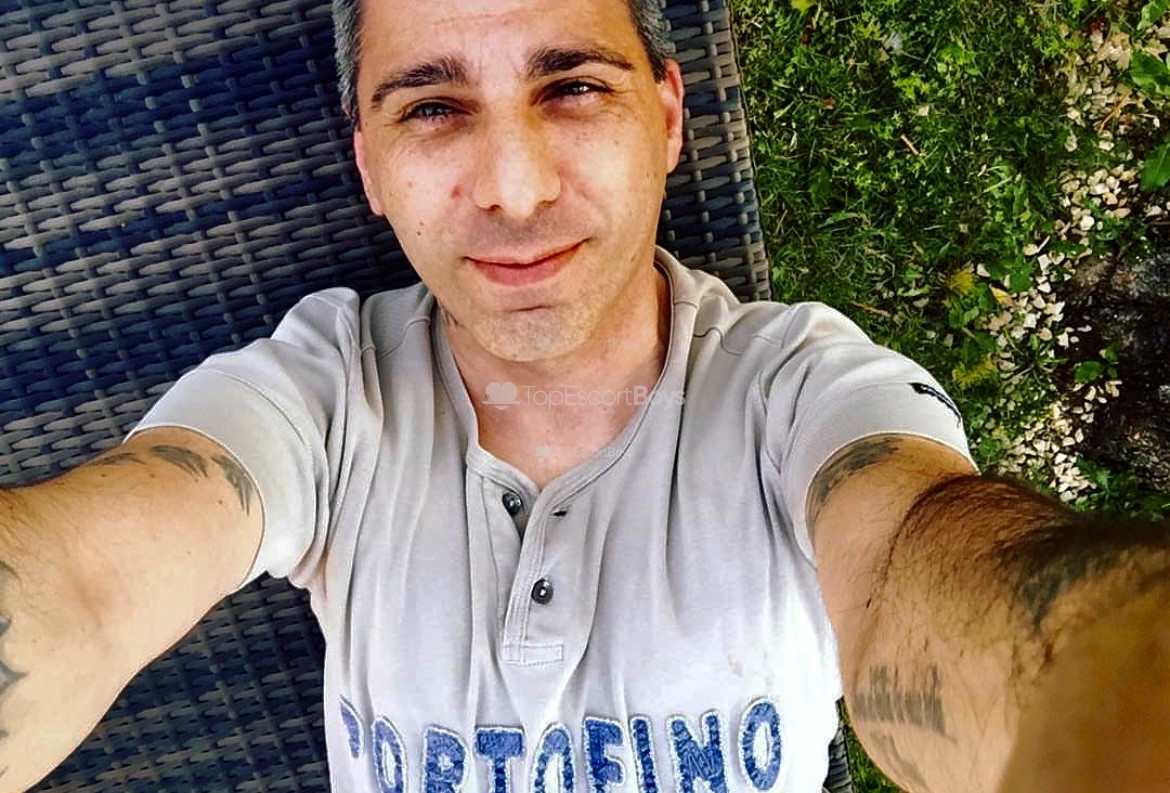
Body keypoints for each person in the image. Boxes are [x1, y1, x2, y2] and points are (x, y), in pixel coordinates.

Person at [0, 1, 1166, 792]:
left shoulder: (800, 393)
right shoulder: (323, 394)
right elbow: (86, 585)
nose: (515, 191)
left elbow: (926, 558)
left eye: (571, 87)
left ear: (666, 117)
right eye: (431, 108)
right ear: (367, 165)